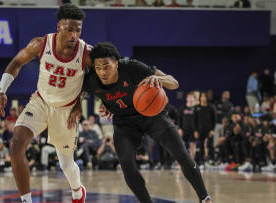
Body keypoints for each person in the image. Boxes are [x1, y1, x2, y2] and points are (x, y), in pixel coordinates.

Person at [78, 42, 211, 203]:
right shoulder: (91, 80)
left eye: (106, 66)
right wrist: (77, 108)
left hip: (152, 115)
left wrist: (159, 78)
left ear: (117, 64)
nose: (102, 72)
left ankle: (205, 198)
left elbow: (174, 82)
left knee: (181, 154)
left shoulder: (132, 67)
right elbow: (76, 94)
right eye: (98, 67)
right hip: (124, 122)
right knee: (127, 164)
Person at [0, 4, 91, 203]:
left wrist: (80, 103)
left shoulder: (86, 53)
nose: (74, 35)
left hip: (66, 110)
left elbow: (96, 80)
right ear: (59, 27)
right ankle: (26, 201)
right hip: (40, 102)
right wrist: (1, 90)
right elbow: (16, 63)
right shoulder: (41, 44)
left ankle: (77, 191)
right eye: (69, 29)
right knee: (16, 144)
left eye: (78, 30)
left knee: (66, 164)